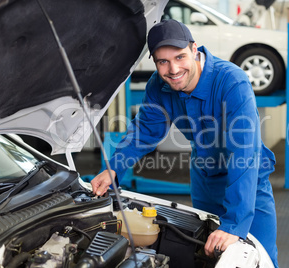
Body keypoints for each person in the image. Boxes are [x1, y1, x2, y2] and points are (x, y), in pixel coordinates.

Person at [91, 19, 278, 267]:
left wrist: (234, 223)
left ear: (194, 50)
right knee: (205, 256)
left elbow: (244, 152)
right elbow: (145, 130)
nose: (173, 69)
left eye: (179, 57)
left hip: (249, 184)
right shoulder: (159, 87)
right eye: (163, 62)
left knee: (259, 257)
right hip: (205, 179)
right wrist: (114, 167)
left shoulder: (232, 82)